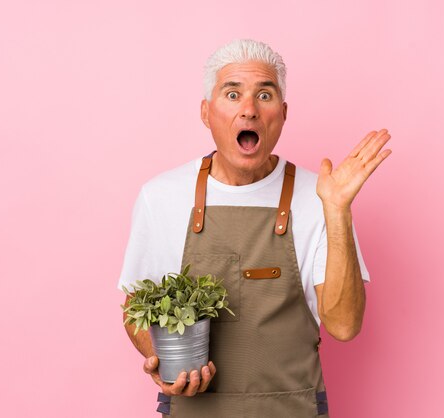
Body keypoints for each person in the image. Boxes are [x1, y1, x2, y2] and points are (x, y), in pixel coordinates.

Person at [117, 38, 392, 417]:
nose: (249, 110)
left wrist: (338, 212)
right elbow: (135, 306)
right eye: (232, 94)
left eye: (264, 95)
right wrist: (161, 358)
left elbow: (344, 326)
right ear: (205, 111)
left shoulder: (321, 195)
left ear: (282, 112)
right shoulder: (161, 196)